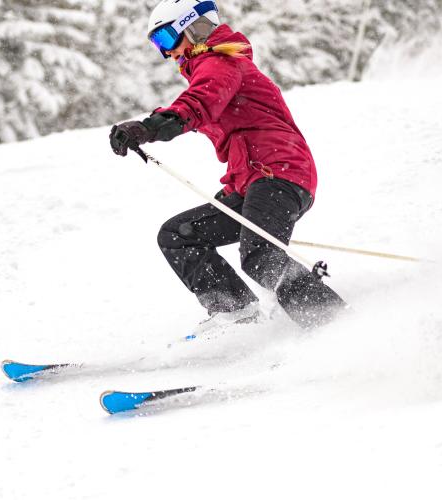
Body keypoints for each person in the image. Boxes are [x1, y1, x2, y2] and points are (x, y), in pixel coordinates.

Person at [109, 0, 346, 331]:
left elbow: (198, 104)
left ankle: (333, 324)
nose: (167, 54)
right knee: (178, 236)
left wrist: (150, 127)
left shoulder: (222, 61)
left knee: (260, 255)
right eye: (157, 46)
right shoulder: (213, 67)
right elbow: (210, 115)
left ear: (192, 27)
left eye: (165, 40)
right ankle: (237, 314)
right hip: (252, 182)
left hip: (279, 174)